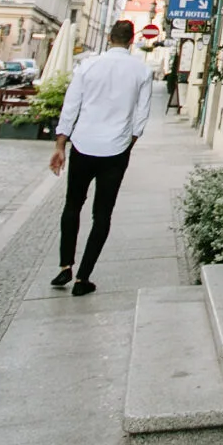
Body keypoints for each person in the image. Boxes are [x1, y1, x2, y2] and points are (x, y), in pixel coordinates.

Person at [49, 17, 156, 295]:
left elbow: (71, 105)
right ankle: (83, 278)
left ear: (109, 38)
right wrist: (128, 143)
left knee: (72, 205)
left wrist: (61, 144)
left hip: (83, 144)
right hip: (116, 149)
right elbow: (141, 116)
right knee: (102, 214)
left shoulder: (87, 66)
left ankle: (64, 266)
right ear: (132, 40)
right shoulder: (142, 71)